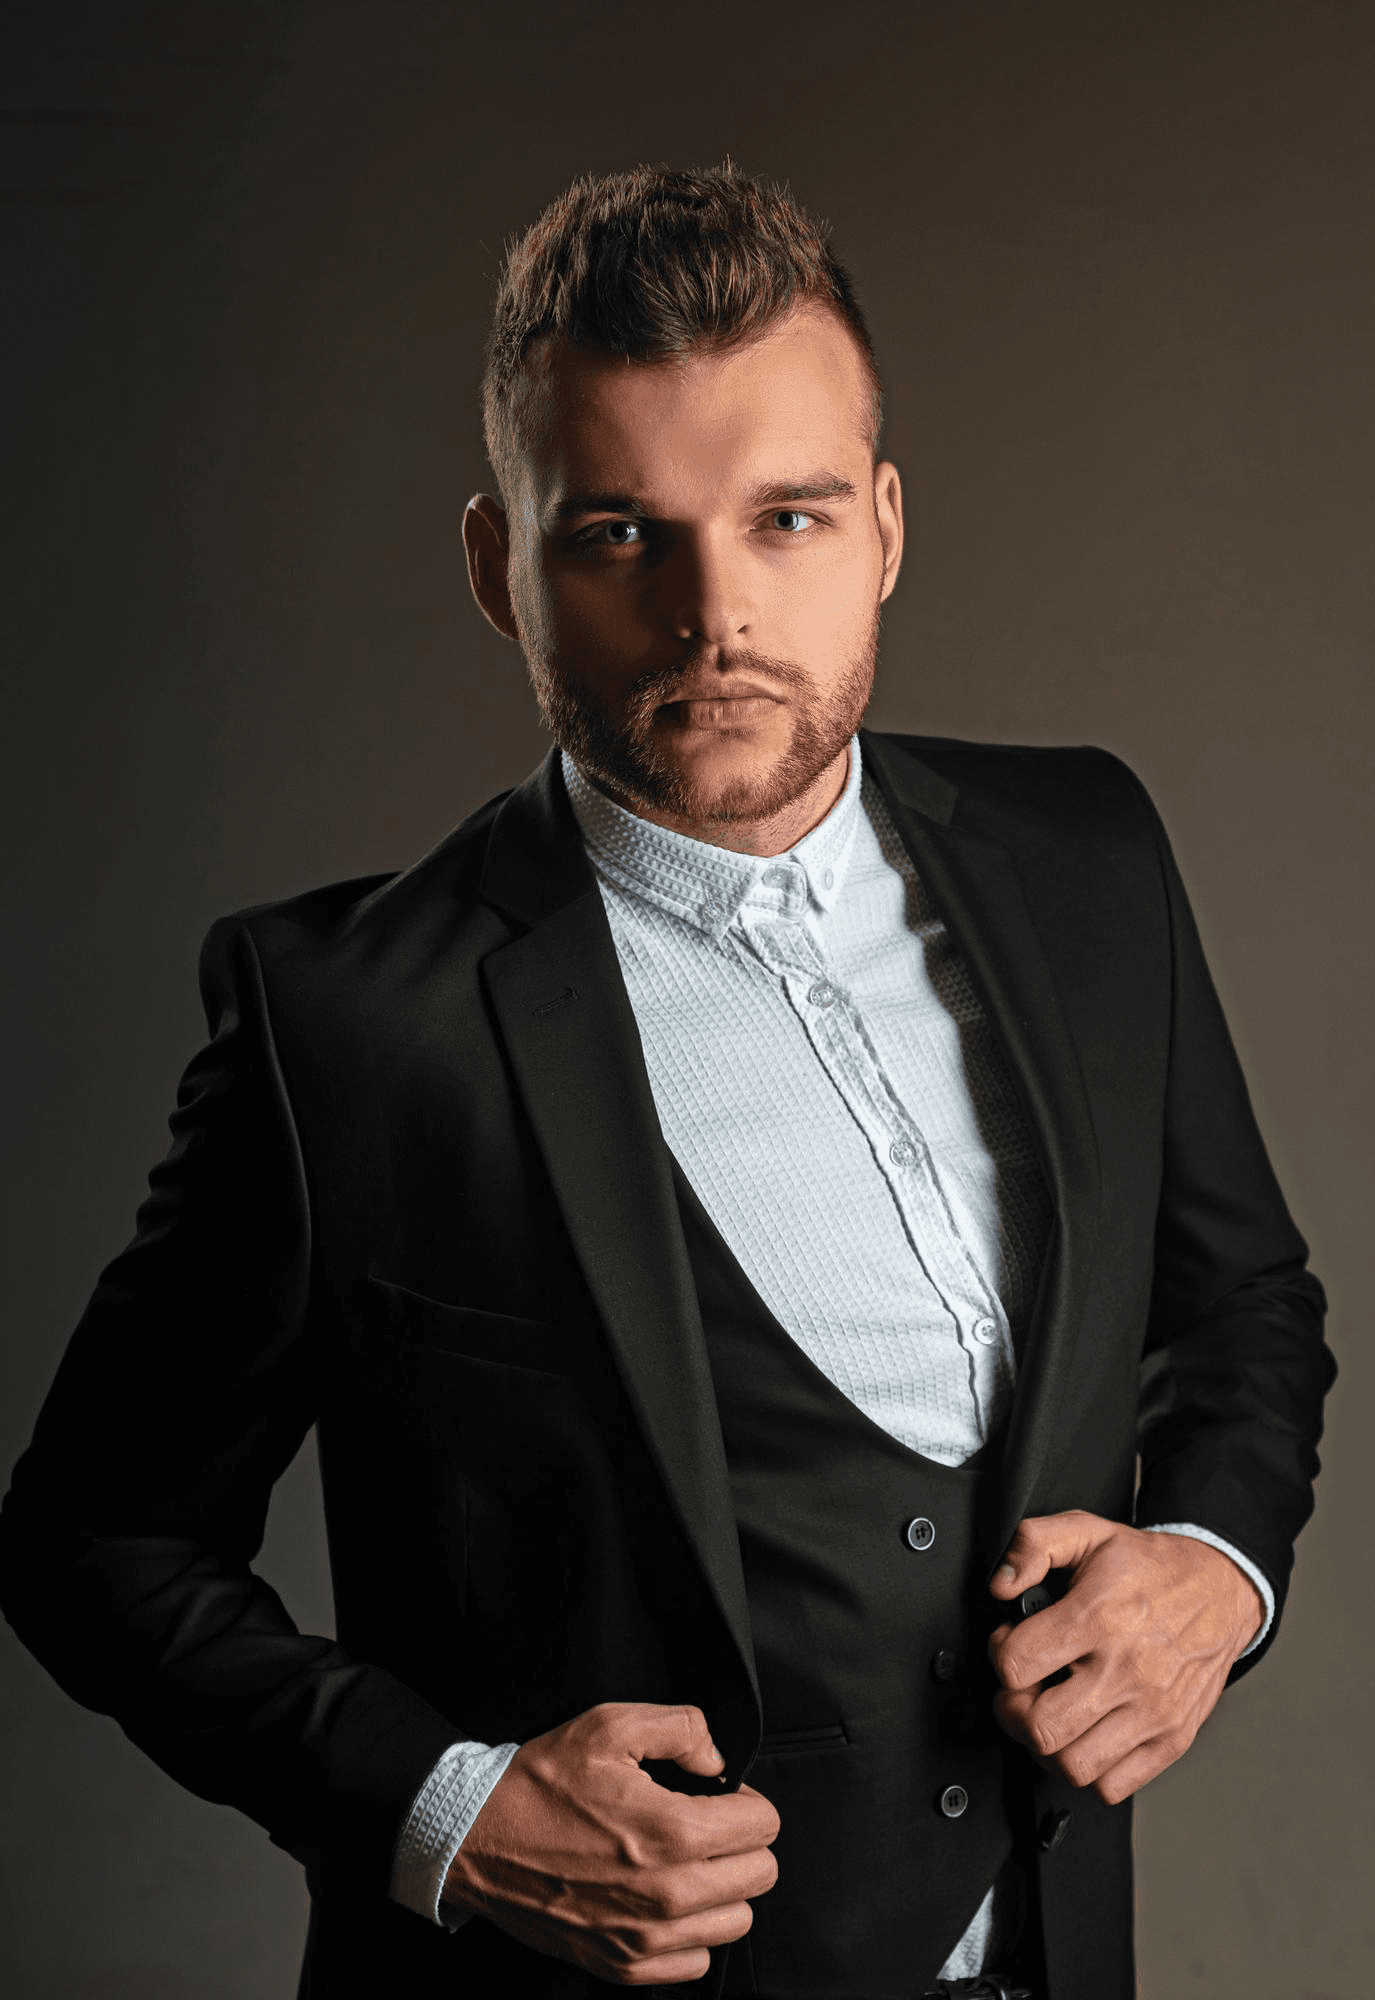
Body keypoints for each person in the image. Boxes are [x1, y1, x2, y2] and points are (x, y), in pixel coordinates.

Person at [0, 163, 1334, 2000]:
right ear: (502, 567)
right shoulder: (344, 1024)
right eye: (621, 534)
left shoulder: (1086, 857)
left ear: (881, 528)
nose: (716, 615)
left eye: (785, 519)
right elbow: (94, 1540)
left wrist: (1211, 1562)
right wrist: (448, 1813)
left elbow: (1243, 1303)